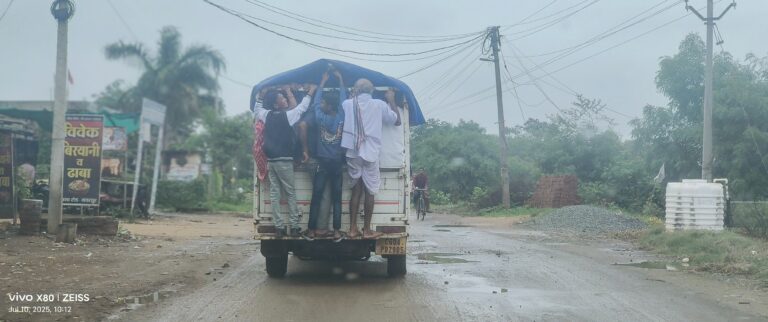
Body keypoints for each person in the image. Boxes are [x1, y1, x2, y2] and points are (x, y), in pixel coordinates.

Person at [341, 79, 401, 239]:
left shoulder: (347, 104)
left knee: (356, 190)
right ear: (371, 91)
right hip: (371, 153)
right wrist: (392, 100)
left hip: (353, 152)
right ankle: (367, 230)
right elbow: (397, 121)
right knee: (370, 191)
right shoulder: (379, 104)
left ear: (356, 90)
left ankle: (353, 229)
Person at [254, 84, 317, 238]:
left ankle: (279, 228)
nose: (284, 100)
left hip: (272, 161)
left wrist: (261, 96)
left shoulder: (266, 115)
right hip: (284, 160)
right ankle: (295, 227)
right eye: (282, 98)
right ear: (277, 104)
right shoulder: (287, 116)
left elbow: (257, 109)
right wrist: (311, 93)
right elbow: (301, 108)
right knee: (290, 193)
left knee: (275, 194)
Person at [299, 69, 347, 241]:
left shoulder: (320, 118)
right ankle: (336, 232)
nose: (321, 104)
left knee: (316, 197)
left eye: (324, 103)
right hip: (337, 163)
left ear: (329, 106)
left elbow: (317, 100)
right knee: (336, 198)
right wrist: (340, 80)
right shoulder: (342, 116)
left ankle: (311, 231)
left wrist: (323, 82)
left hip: (322, 164)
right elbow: (343, 99)